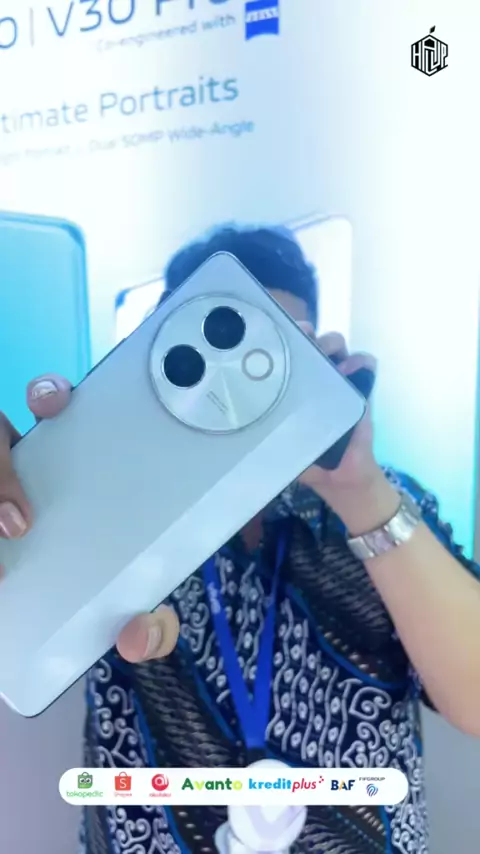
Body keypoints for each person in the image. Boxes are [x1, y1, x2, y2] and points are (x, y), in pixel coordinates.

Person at [1, 225, 480, 854]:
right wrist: (33, 511)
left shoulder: (385, 498)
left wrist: (357, 488)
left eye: (277, 350)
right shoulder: (106, 498)